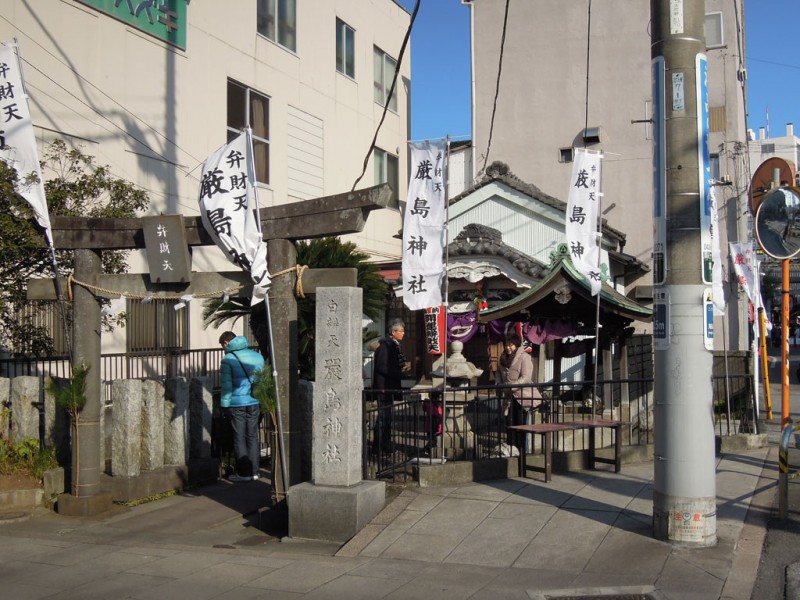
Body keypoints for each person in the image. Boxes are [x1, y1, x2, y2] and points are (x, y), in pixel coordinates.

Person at [219, 331, 265, 482]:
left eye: (222, 345)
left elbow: (226, 386)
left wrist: (224, 406)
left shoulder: (228, 359)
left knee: (239, 437)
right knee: (252, 436)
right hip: (254, 401)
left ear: (227, 343)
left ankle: (244, 473)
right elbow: (263, 381)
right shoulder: (257, 356)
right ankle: (254, 471)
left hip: (237, 404)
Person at [372, 319, 409, 454]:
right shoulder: (385, 346)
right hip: (384, 387)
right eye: (401, 331)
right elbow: (382, 367)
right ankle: (378, 446)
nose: (403, 333)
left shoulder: (393, 346)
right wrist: (399, 374)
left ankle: (385, 445)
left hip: (390, 387)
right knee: (383, 418)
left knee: (387, 418)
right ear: (393, 332)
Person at [496, 334, 542, 433]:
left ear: (516, 345)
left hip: (523, 395)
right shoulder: (502, 358)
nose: (508, 347)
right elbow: (498, 372)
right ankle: (511, 446)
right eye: (506, 345)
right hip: (508, 396)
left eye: (511, 345)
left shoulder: (524, 357)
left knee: (521, 423)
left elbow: (526, 377)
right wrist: (499, 383)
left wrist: (512, 386)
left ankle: (520, 446)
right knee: (509, 423)